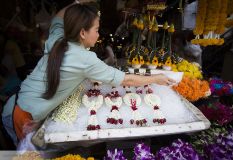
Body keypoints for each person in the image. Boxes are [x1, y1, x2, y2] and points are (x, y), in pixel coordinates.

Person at [2, 2, 175, 146]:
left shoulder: (59, 38)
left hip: (16, 104)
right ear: (83, 32)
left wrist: (78, 2)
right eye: (97, 29)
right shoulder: (85, 58)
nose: (98, 34)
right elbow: (126, 79)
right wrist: (155, 78)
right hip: (22, 117)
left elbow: (57, 19)